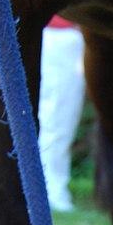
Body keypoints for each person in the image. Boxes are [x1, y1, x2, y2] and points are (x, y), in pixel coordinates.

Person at [37, 15, 86, 212]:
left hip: (39, 31)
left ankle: (50, 189)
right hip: (62, 34)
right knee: (60, 119)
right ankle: (52, 190)